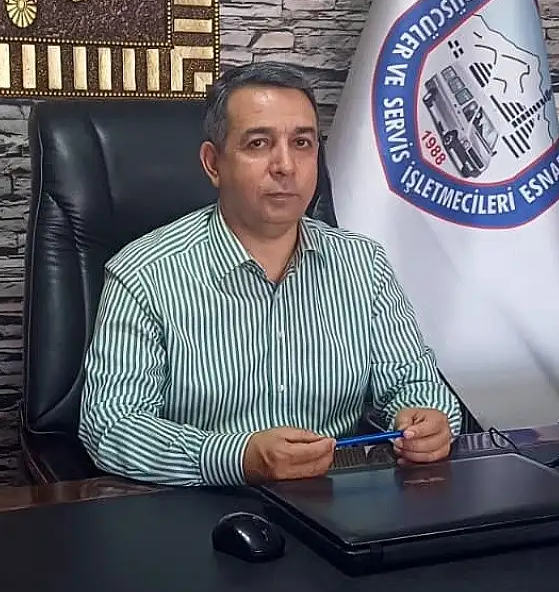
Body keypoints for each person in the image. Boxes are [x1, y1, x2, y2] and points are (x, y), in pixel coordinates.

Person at [77, 62, 462, 487]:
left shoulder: (362, 264)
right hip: (201, 503)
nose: (285, 166)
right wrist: (239, 458)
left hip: (338, 501)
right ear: (213, 164)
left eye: (302, 143)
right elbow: (111, 426)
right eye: (258, 143)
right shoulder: (144, 273)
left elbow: (415, 383)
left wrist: (428, 420)